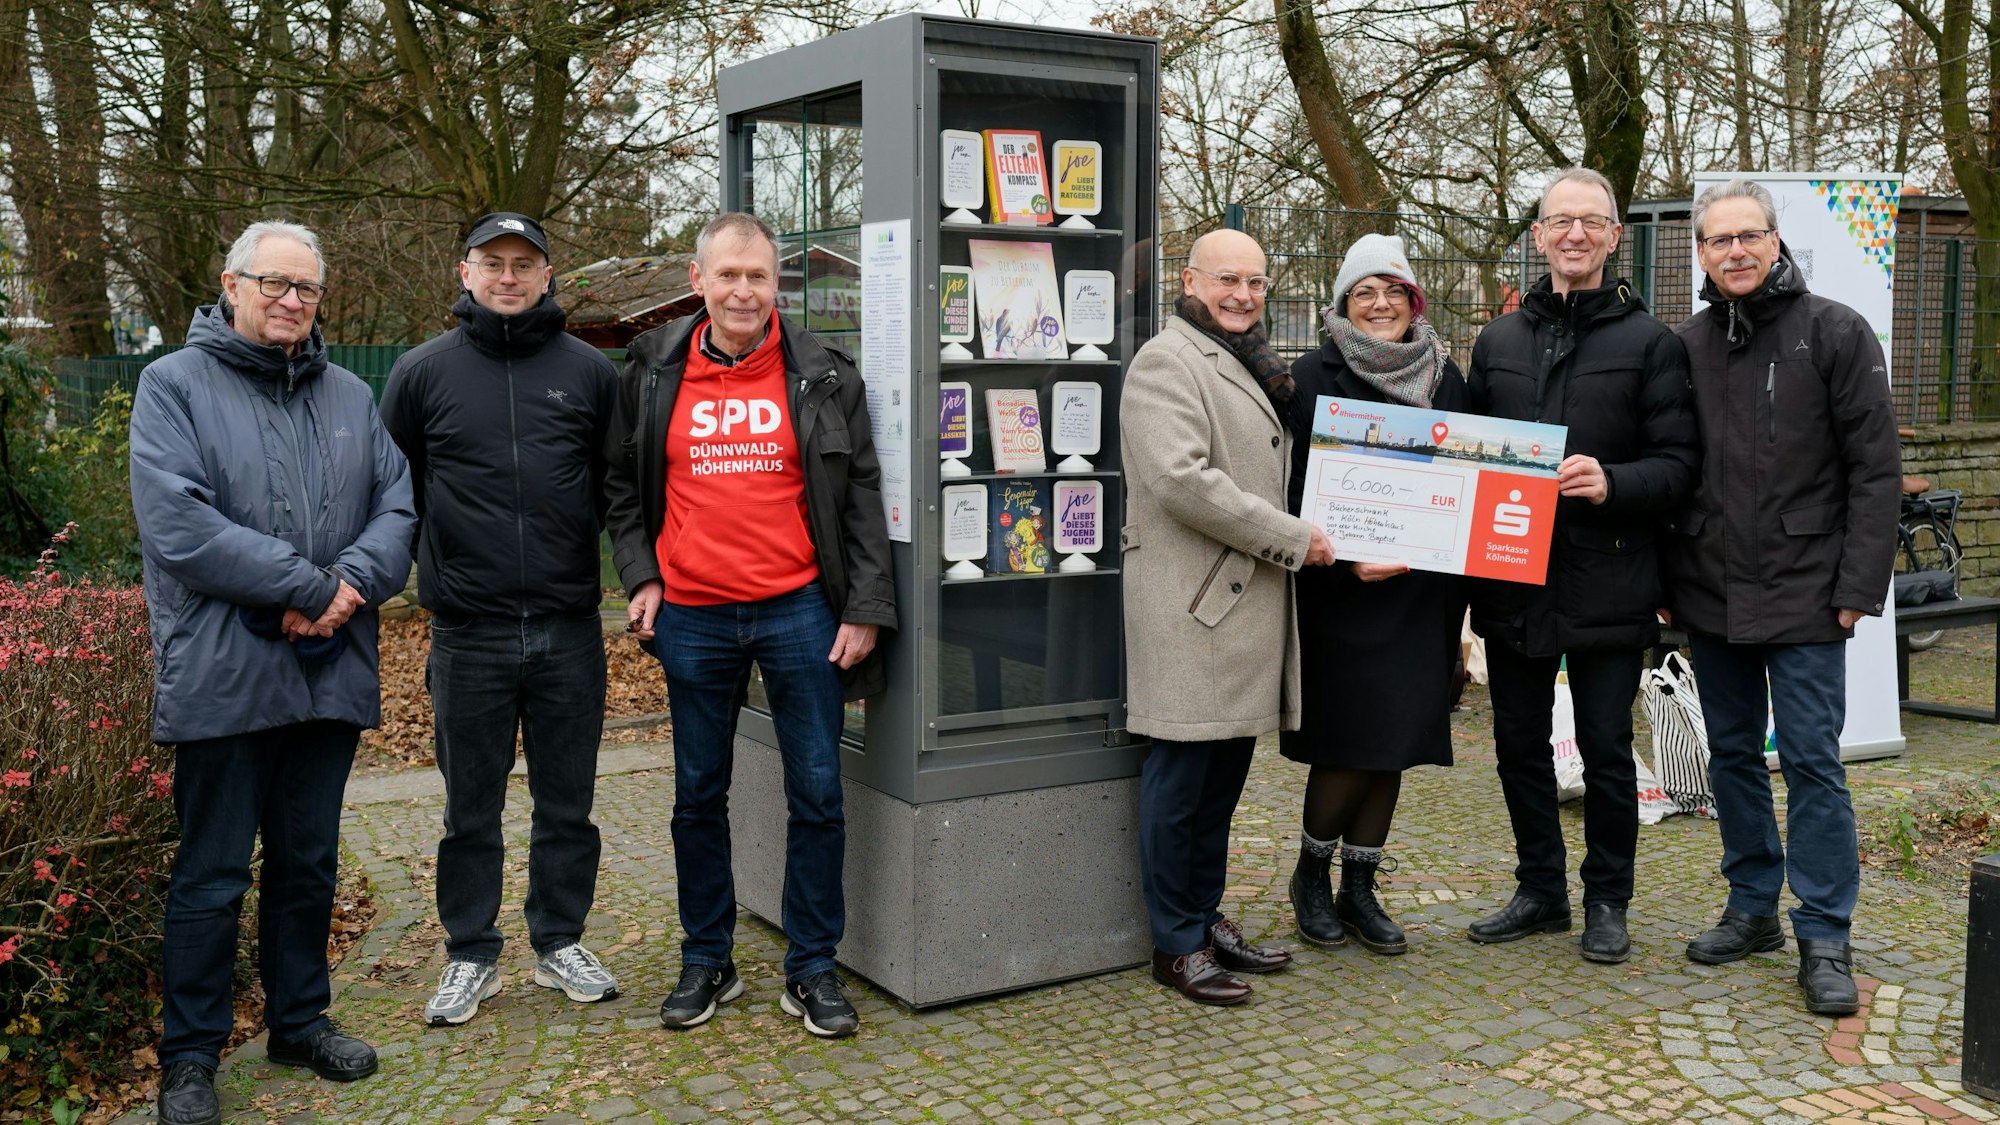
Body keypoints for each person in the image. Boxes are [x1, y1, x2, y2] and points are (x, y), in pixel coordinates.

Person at [130, 221, 415, 1125]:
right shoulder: (171, 385)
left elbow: (398, 504)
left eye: (308, 289)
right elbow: (181, 526)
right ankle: (189, 1058)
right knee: (212, 874)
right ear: (230, 284)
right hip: (223, 672)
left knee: (308, 864)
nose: (293, 300)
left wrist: (348, 588)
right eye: (275, 283)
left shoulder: (346, 394)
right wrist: (312, 585)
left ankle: (299, 1020)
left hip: (325, 672)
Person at [603, 211, 896, 1038]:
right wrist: (643, 575)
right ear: (698, 281)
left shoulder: (826, 375)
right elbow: (621, 490)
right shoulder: (652, 371)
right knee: (698, 794)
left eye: (758, 276)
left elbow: (863, 496)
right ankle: (709, 958)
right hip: (691, 614)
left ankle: (811, 968)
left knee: (818, 792)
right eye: (727, 275)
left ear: (778, 285)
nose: (742, 290)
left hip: (800, 610)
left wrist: (867, 608)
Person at [380, 213, 622, 1027]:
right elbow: (395, 490)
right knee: (469, 808)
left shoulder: (590, 373)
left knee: (568, 803)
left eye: (525, 263)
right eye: (493, 263)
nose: (508, 276)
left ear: (549, 274)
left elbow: (614, 487)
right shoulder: (420, 374)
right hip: (467, 632)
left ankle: (559, 939)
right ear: (465, 272)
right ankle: (470, 952)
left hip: (567, 629)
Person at [1667, 178, 1899, 1015]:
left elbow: (1877, 471)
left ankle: (1826, 930)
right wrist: (1669, 583)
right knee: (1730, 755)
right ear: (1699, 251)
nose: (1734, 250)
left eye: (1748, 236)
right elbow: (1673, 468)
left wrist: (1856, 589)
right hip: (1710, 590)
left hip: (1809, 591)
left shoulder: (1835, 331)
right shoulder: (1686, 345)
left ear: (1775, 242)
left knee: (1810, 762)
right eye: (1717, 239)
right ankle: (1752, 905)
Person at [1463, 168, 1698, 963]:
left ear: (1612, 236)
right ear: (1538, 235)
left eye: (1590, 222)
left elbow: (1679, 466)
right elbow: (1462, 460)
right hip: (1511, 577)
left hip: (1609, 576)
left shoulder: (1652, 343)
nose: (1574, 234)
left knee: (1604, 750)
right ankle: (1540, 890)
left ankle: (1607, 900)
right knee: (1517, 746)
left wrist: (1612, 482)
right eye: (1559, 221)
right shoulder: (1496, 341)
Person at [1122, 228, 1335, 1006]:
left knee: (1219, 788)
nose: (1243, 294)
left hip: (1238, 609)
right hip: (1193, 610)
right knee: (1179, 787)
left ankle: (1205, 918)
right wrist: (1292, 536)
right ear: (1190, 280)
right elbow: (1182, 480)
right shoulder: (1166, 361)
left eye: (1254, 282)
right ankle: (1174, 944)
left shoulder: (1241, 357)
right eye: (1227, 281)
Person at [1281, 234, 1469, 956]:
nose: (1381, 302)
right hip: (1343, 590)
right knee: (1348, 739)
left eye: (1394, 289)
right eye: (1366, 291)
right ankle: (1311, 875)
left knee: (1392, 743)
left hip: (1422, 595)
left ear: (1414, 299)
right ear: (1344, 303)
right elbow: (1290, 489)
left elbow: (1466, 476)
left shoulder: (1446, 377)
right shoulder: (1310, 376)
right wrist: (1345, 558)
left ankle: (1360, 887)